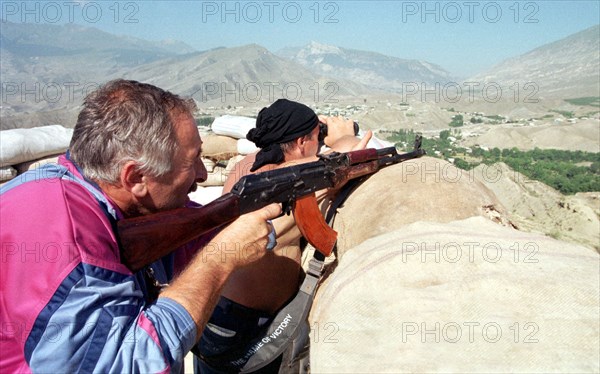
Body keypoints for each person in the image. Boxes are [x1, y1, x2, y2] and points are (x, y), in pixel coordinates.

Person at [0, 79, 280, 373]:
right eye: (192, 161)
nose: (201, 173)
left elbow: (195, 230)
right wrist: (218, 260)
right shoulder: (69, 242)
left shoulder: (99, 197)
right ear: (135, 178)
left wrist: (246, 226)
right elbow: (127, 364)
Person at [194, 99, 371, 373]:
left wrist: (316, 130)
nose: (320, 143)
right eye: (315, 138)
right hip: (246, 324)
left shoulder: (248, 165)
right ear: (301, 143)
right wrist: (342, 134)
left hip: (226, 312)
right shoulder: (290, 176)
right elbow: (348, 153)